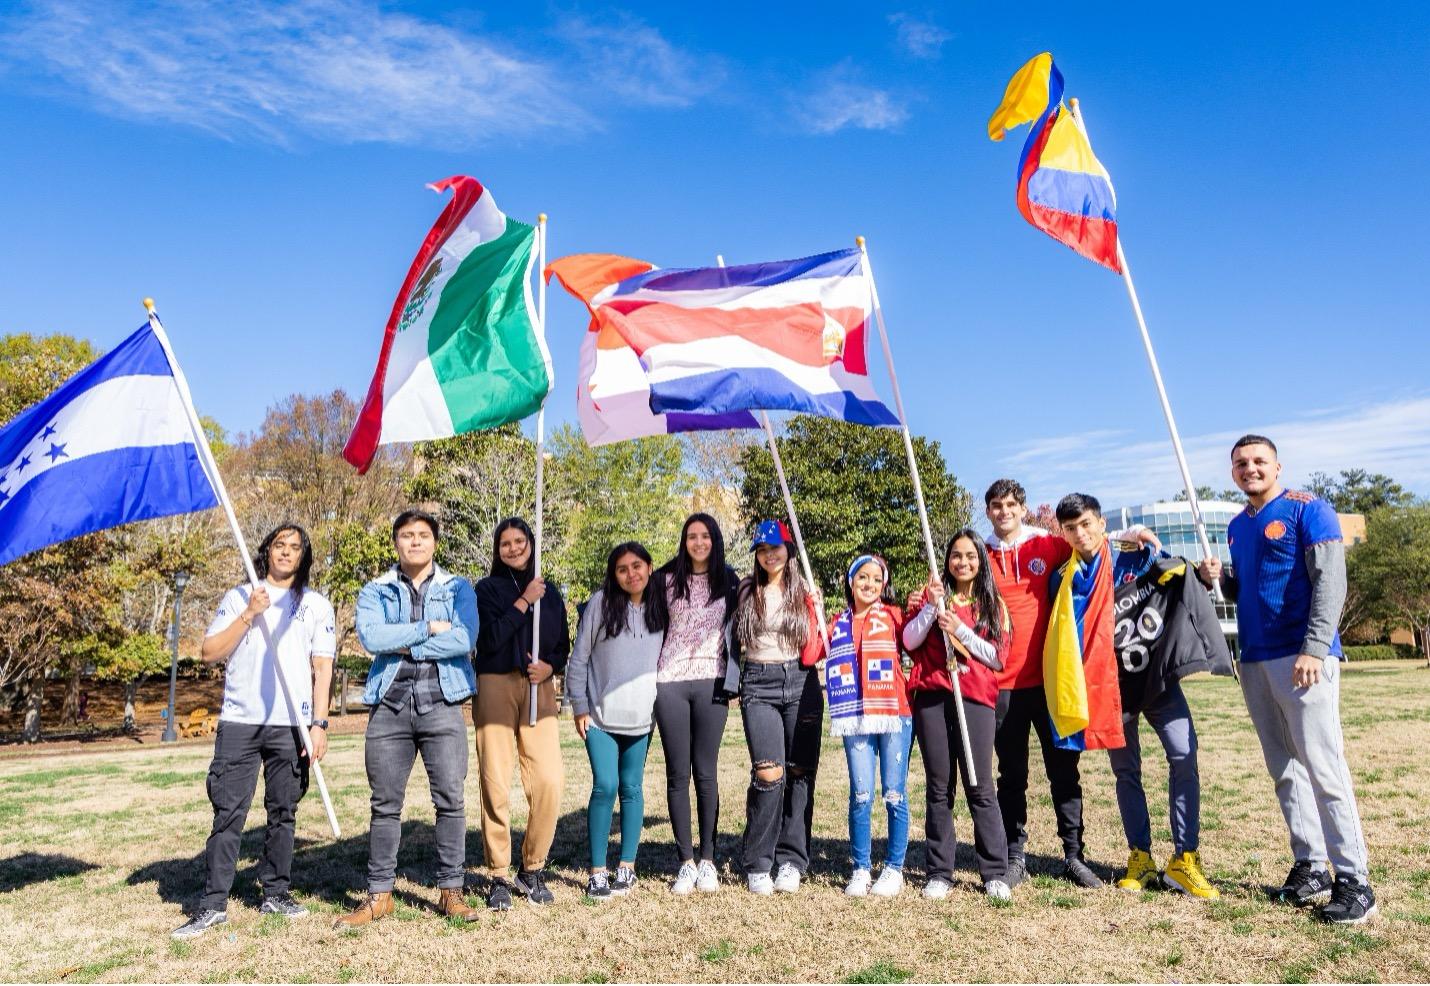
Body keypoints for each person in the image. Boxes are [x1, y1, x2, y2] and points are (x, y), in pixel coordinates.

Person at [1197, 435, 1376, 924]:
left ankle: (1354, 878)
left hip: (1302, 659)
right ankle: (1311, 864)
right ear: (1233, 472)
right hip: (1254, 660)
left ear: (1277, 466)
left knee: (1323, 767)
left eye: (1258, 461)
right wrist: (1218, 577)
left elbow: (1330, 582)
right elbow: (1243, 589)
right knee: (1284, 769)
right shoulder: (1237, 525)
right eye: (1240, 463)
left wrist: (1314, 648)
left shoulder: (1309, 509)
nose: (1249, 469)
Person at [982, 478, 1157, 888]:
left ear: (1023, 508)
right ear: (988, 511)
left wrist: (1128, 533)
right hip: (1002, 684)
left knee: (1064, 770)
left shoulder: (1048, 544)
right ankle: (1015, 856)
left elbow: (1090, 539)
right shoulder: (981, 551)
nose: (1004, 511)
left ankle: (1073, 855)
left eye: (1011, 504)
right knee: (1011, 774)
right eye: (995, 505)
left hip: (1050, 681)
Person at [172, 523, 335, 940]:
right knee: (229, 813)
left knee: (283, 811)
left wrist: (319, 724)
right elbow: (210, 653)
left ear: (304, 556)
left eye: (295, 547)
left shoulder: (315, 604)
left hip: (292, 723)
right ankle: (212, 904)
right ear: (267, 551)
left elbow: (322, 667)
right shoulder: (240, 596)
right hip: (241, 721)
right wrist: (249, 614)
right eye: (280, 545)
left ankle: (276, 892)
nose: (286, 552)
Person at [337, 509, 480, 928]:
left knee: (450, 801)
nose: (415, 541)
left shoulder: (458, 588)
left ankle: (451, 891)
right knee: (384, 805)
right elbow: (372, 637)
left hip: (442, 702)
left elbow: (465, 638)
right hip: (390, 707)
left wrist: (408, 644)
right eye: (406, 535)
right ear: (396, 542)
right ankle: (379, 895)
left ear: (434, 542)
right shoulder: (375, 589)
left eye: (422, 535)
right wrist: (427, 628)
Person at [1108, 537, 1232, 900]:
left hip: (1159, 681)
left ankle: (1184, 858)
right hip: (1115, 686)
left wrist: (1203, 575)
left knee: (1184, 756)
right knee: (1125, 770)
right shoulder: (1095, 566)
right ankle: (1140, 857)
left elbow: (1189, 579)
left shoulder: (1158, 559)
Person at [903, 529, 1012, 901]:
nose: (962, 562)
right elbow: (910, 640)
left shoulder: (992, 604)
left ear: (980, 561)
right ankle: (939, 871)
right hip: (934, 696)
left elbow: (997, 656)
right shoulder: (932, 596)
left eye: (970, 556)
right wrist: (934, 609)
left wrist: (960, 628)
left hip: (975, 697)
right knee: (938, 786)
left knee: (980, 785)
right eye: (956, 555)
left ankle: (995, 871)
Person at [474, 516, 570, 910]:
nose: (513, 548)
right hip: (495, 684)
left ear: (532, 543)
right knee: (496, 781)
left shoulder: (551, 592)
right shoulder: (487, 589)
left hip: (539, 687)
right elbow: (490, 639)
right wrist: (523, 601)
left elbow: (562, 645)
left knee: (550, 780)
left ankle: (531, 868)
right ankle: (498, 872)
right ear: (498, 550)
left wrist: (551, 667)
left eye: (519, 541)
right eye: (505, 543)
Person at [566, 542, 667, 901]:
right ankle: (597, 872)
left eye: (637, 566)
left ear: (650, 567)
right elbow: (578, 659)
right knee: (606, 786)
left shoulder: (661, 607)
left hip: (642, 718)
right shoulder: (600, 604)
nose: (630, 574)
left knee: (632, 788)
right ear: (614, 574)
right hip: (601, 716)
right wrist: (579, 706)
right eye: (622, 569)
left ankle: (627, 866)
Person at [730, 521, 825, 896]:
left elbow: (820, 644)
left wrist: (817, 611)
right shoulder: (744, 590)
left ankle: (792, 860)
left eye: (777, 546)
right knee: (769, 773)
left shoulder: (805, 590)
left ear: (789, 549)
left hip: (801, 681)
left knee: (799, 771)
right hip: (759, 681)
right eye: (763, 548)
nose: (770, 554)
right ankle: (758, 861)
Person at [653, 512, 739, 894]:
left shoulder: (730, 580)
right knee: (677, 773)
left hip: (712, 681)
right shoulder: (665, 579)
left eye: (705, 536)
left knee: (705, 772)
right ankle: (685, 861)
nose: (699, 542)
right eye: (692, 536)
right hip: (669, 681)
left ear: (715, 540)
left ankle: (708, 860)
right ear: (684, 541)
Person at [827, 553, 911, 898]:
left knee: (894, 793)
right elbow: (811, 653)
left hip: (894, 713)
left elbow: (919, 639)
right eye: (863, 577)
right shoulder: (835, 622)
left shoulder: (894, 616)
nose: (870, 584)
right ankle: (861, 869)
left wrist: (927, 604)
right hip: (854, 716)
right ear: (850, 581)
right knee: (861, 795)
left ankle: (894, 868)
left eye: (877, 579)